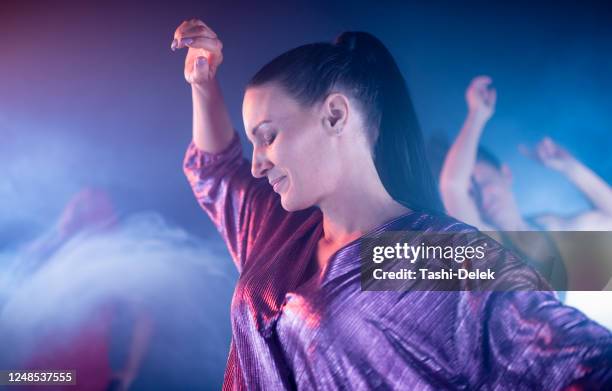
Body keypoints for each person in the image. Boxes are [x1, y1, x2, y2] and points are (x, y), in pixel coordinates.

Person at [174, 18, 612, 389]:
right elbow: (218, 171)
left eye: (268, 137)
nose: (258, 164)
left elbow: (575, 358)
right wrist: (202, 84)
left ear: (335, 115)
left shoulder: (421, 255)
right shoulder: (282, 233)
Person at [439, 76, 569, 292]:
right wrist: (477, 115)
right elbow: (452, 186)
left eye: (486, 182)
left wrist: (570, 167)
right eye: (472, 194)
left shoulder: (547, 226)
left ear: (506, 175)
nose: (483, 197)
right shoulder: (488, 242)